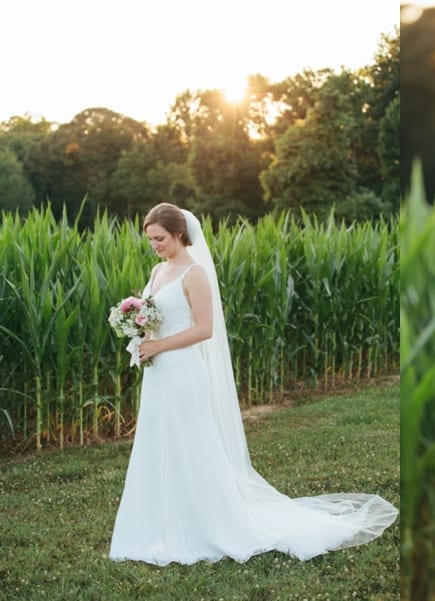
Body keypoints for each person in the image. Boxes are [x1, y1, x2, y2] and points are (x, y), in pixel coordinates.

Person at [109, 203, 398, 565]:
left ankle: (206, 525)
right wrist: (140, 336)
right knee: (159, 441)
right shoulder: (157, 271)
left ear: (180, 234)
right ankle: (159, 525)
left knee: (192, 442)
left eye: (161, 239)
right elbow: (157, 318)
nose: (155, 245)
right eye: (151, 240)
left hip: (184, 371)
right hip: (159, 374)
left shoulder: (194, 274)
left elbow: (204, 329)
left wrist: (159, 345)